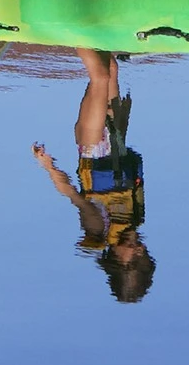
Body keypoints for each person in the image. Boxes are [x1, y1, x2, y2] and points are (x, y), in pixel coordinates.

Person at [32, 49, 154, 303]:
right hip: (116, 140)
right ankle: (98, 27)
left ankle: (72, 25)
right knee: (110, 68)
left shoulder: (99, 229)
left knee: (99, 77)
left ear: (114, 260)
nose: (137, 253)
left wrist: (49, 166)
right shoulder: (135, 218)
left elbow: (74, 196)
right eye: (141, 259)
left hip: (94, 146)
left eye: (130, 262)